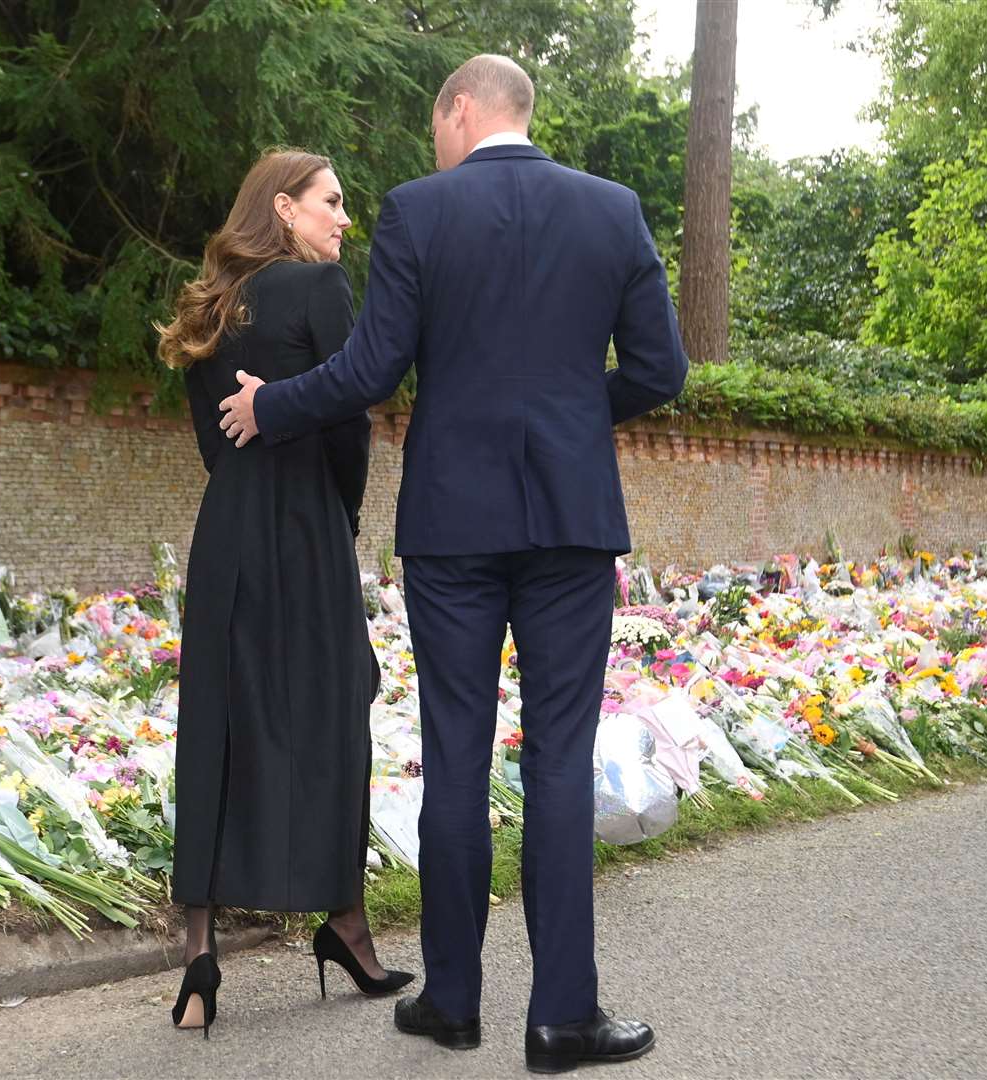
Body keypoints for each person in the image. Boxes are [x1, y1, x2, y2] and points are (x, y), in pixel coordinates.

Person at [217, 56, 688, 1072]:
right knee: (558, 763)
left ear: (463, 112)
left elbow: (370, 370)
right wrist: (565, 415)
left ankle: (456, 1004)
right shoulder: (613, 211)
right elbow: (661, 370)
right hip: (568, 524)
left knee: (457, 761)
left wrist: (270, 404)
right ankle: (563, 1020)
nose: (434, 147)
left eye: (437, 127)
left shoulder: (421, 212)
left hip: (452, 528)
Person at [156, 148, 414, 1040]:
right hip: (304, 530)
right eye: (332, 203)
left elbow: (210, 444)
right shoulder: (318, 292)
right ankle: (344, 925)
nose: (345, 220)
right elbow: (350, 422)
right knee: (335, 713)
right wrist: (339, 518)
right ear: (285, 208)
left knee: (218, 725)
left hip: (226, 530)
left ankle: (199, 958)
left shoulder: (209, 306)